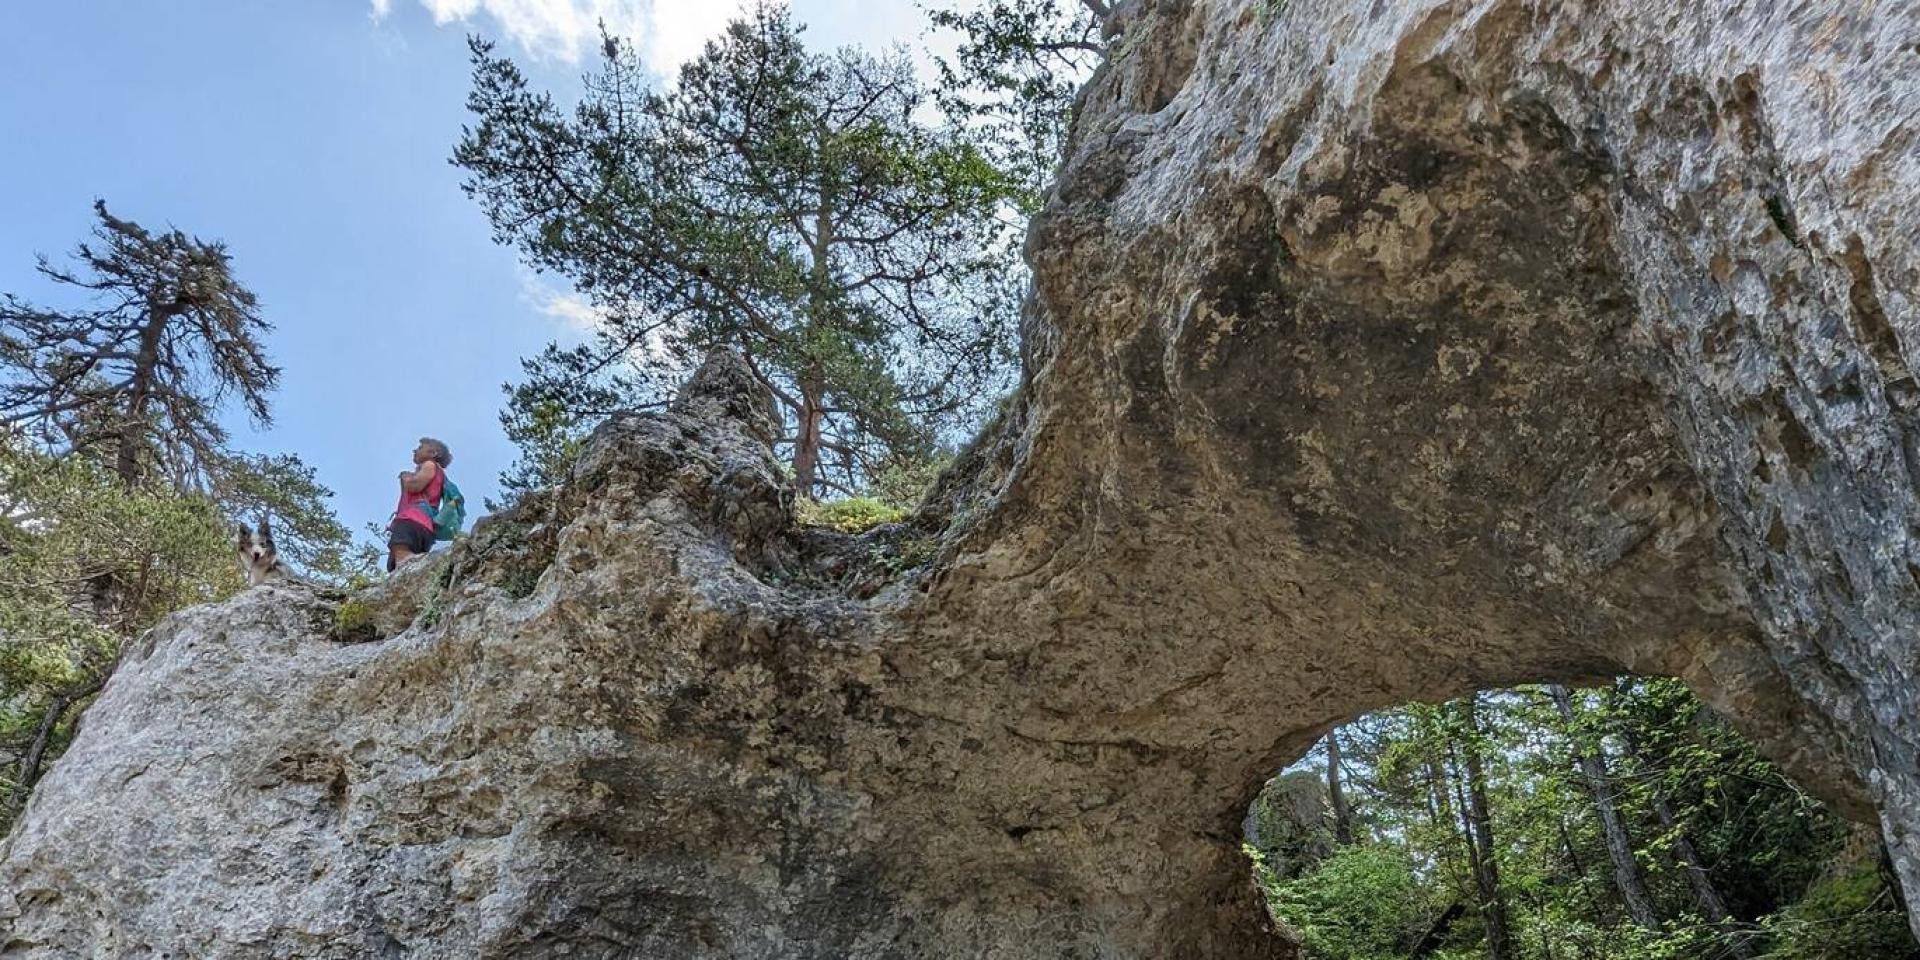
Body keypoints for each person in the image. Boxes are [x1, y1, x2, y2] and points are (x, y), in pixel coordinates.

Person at [388, 437, 451, 572]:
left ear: (433, 453)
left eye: (420, 447)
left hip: (413, 519)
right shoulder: (438, 474)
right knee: (396, 564)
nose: (415, 450)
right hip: (425, 526)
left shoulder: (429, 465)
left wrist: (406, 478)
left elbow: (415, 486)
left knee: (402, 556)